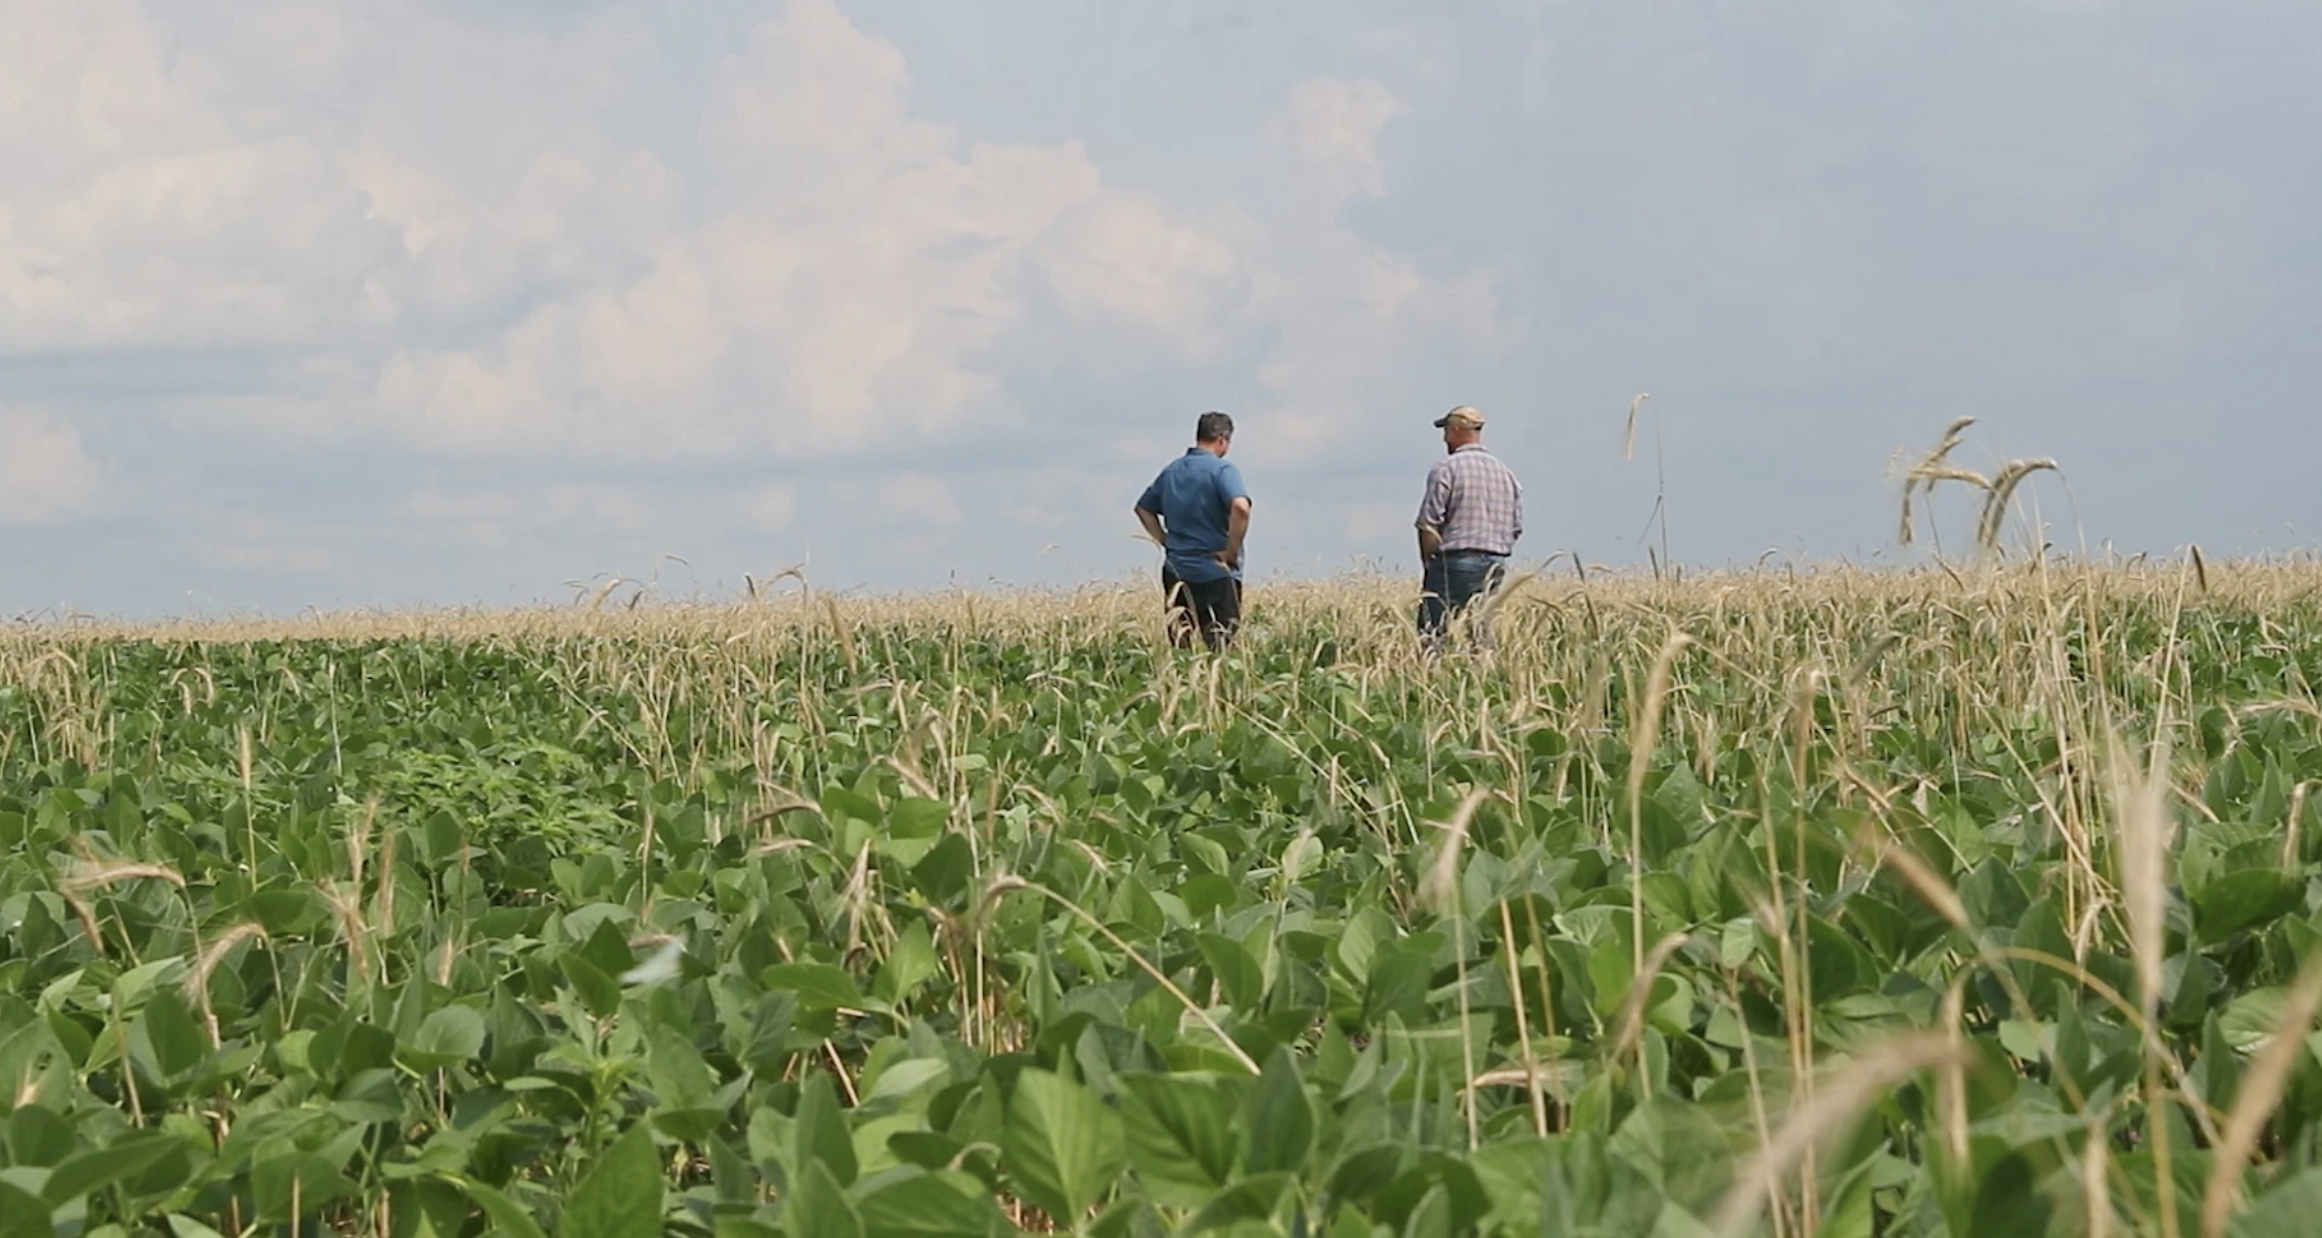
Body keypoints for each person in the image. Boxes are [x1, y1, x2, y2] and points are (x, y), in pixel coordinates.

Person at [1135, 412, 1252, 650]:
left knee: (1181, 647)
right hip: (1216, 573)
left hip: (1177, 572)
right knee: (1221, 648)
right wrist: (1231, 551)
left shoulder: (1171, 471)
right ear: (1222, 439)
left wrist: (1165, 541)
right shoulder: (1223, 470)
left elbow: (1143, 508)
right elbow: (1241, 507)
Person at [1414, 405, 1522, 649]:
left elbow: (1428, 522)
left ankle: (1431, 680)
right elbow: (1516, 526)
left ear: (1454, 430)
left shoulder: (1447, 468)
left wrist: (1429, 562)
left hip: (1455, 560)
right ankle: (1485, 677)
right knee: (1480, 629)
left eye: (1445, 432)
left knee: (1433, 632)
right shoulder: (1505, 473)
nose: (1443, 438)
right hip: (1495, 562)